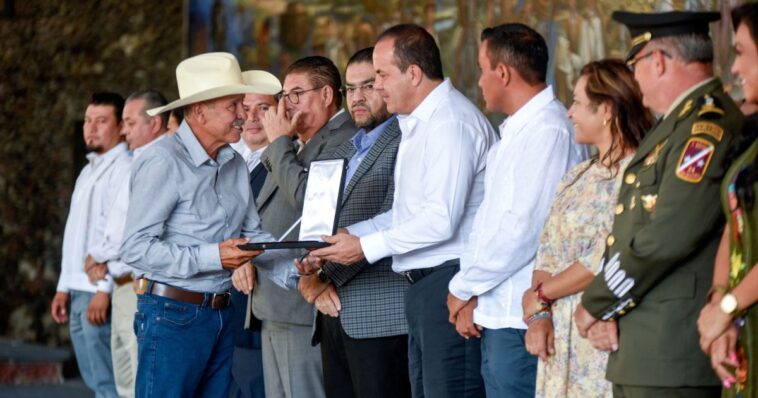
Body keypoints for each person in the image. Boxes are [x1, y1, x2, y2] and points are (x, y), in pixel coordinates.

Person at [311, 24, 496, 398]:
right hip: (424, 286)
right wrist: (353, 235)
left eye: (381, 75)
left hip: (450, 281)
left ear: (413, 73)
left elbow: (439, 221)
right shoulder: (418, 124)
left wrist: (365, 247)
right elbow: (406, 213)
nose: (376, 86)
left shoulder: (450, 122)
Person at [574, 11, 744, 397]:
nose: (636, 80)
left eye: (636, 66)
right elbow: (630, 230)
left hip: (671, 350)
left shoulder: (705, 126)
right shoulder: (675, 126)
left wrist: (598, 300)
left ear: (659, 61)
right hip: (646, 347)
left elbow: (668, 236)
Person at [119, 52, 281, 397]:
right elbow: (135, 248)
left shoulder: (234, 162)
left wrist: (299, 266)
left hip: (222, 317)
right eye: (233, 105)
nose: (243, 115)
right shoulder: (163, 161)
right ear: (198, 111)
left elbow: (252, 236)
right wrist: (214, 257)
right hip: (171, 316)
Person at [445, 23, 586, 398]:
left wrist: (464, 287)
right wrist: (469, 289)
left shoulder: (548, 131)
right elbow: (485, 223)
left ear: (502, 72)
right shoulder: (517, 130)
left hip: (522, 317)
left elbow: (524, 229)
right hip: (497, 311)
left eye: (481, 68)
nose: (478, 80)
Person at [523, 59, 653, 398]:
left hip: (600, 331)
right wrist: (539, 318)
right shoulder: (576, 176)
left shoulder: (640, 175)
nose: (570, 112)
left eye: (578, 102)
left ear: (606, 109)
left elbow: (606, 255)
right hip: (557, 339)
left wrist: (539, 297)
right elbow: (547, 250)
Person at [297, 47, 410, 398]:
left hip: (382, 315)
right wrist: (310, 277)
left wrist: (323, 277)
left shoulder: (406, 142)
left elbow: (398, 224)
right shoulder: (339, 152)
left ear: (388, 84)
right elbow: (316, 227)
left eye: (368, 86)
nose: (357, 98)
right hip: (330, 315)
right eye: (351, 89)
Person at [240, 55, 356, 398]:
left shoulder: (341, 137)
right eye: (284, 96)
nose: (286, 105)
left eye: (296, 94)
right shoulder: (300, 141)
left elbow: (312, 201)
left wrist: (278, 145)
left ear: (326, 95)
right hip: (273, 299)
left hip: (302, 303)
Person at [87, 90, 168, 398]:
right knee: (124, 379)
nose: (124, 131)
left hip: (142, 285)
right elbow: (113, 219)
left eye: (130, 123)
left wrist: (99, 255)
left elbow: (134, 227)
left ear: (155, 123)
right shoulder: (138, 160)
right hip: (122, 282)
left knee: (139, 379)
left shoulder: (159, 163)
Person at [697, 4, 758, 397]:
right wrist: (721, 303)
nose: (733, 69)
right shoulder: (752, 138)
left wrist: (727, 308)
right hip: (744, 330)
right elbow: (732, 224)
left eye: (740, 51)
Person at [51, 92, 129, 398]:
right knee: (95, 379)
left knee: (109, 380)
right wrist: (63, 286)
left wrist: (104, 289)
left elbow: (118, 234)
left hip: (98, 288)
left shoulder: (124, 167)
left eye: (101, 121)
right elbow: (77, 234)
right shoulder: (89, 169)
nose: (91, 128)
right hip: (78, 286)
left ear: (122, 126)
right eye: (87, 121)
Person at [228, 69, 281, 398]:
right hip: (223, 309)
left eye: (262, 108)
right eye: (244, 108)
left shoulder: (287, 163)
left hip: (261, 303)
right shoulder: (228, 161)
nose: (251, 117)